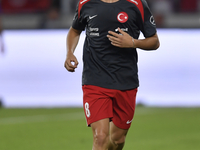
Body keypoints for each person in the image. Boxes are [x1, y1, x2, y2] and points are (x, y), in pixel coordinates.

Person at [64, 0, 160, 150]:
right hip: (94, 79)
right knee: (100, 137)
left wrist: (133, 42)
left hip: (125, 81)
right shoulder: (86, 3)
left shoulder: (136, 4)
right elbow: (75, 30)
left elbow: (154, 41)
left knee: (118, 140)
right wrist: (70, 52)